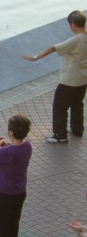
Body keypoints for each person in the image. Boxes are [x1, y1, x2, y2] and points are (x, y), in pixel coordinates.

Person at [21, 10, 87, 143]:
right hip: (83, 79)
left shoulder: (75, 40)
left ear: (73, 25)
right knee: (77, 104)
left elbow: (53, 48)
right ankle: (77, 129)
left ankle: (60, 135)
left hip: (69, 80)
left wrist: (35, 57)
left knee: (59, 107)